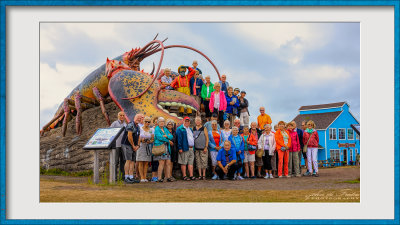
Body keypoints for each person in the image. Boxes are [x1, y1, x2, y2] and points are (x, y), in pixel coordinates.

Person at [121, 114, 141, 183]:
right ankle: (126, 177)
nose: (139, 119)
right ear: (134, 117)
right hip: (127, 144)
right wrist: (133, 145)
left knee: (133, 161)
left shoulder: (138, 126)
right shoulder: (130, 125)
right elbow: (129, 136)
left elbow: (139, 137)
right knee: (128, 160)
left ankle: (131, 177)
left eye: (140, 118)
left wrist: (138, 145)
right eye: (138, 117)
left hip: (134, 146)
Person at [153, 117, 174, 182]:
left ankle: (168, 177)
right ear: (158, 122)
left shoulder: (165, 129)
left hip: (167, 148)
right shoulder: (157, 129)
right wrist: (168, 140)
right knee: (161, 163)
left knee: (168, 162)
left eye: (163, 121)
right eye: (160, 121)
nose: (162, 123)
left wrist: (166, 136)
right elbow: (159, 137)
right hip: (161, 147)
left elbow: (171, 136)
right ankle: (159, 178)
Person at [110, 111, 127, 180]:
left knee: (123, 161)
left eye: (123, 115)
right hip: (116, 145)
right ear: (118, 116)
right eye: (120, 115)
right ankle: (114, 177)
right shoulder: (114, 123)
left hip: (123, 145)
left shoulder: (126, 124)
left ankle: (122, 176)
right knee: (115, 162)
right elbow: (110, 132)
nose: (122, 116)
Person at [136, 116, 154, 182]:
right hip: (141, 146)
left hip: (148, 146)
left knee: (146, 162)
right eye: (146, 121)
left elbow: (152, 139)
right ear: (143, 122)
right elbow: (137, 137)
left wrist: (150, 141)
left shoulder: (151, 130)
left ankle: (145, 176)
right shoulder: (140, 129)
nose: (147, 123)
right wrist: (141, 140)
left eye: (148, 122)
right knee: (141, 162)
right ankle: (141, 177)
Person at [150, 117, 159, 182]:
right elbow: (149, 136)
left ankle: (158, 176)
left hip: (160, 147)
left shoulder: (161, 129)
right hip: (153, 147)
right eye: (155, 121)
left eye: (157, 121)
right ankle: (153, 176)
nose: (156, 123)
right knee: (154, 162)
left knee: (159, 162)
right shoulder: (151, 129)